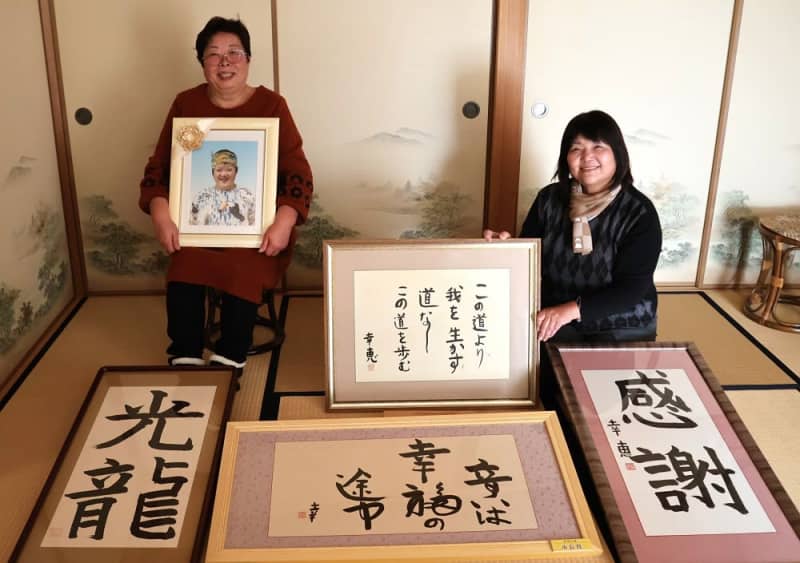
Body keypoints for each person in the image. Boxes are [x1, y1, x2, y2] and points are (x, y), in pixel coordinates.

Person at [139, 16, 313, 372]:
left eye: (234, 52)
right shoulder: (186, 104)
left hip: (256, 231)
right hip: (197, 228)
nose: (225, 62)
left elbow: (298, 172)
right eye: (213, 54)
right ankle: (185, 355)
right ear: (201, 62)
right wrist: (161, 213)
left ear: (248, 59)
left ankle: (230, 358)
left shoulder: (272, 106)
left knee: (242, 266)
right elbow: (160, 167)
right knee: (184, 266)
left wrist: (284, 221)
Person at [485, 110, 661, 402]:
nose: (586, 156)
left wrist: (569, 310)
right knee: (538, 387)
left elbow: (632, 289)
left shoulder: (639, 213)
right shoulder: (549, 199)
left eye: (598, 147)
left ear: (618, 154)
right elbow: (531, 256)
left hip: (619, 323)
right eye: (576, 148)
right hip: (554, 316)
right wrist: (505, 249)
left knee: (602, 401)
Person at [190, 149, 256, 226]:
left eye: (229, 170)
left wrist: (240, 216)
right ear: (213, 172)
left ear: (236, 171)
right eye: (219, 170)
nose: (223, 174)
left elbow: (255, 227)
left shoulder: (247, 196)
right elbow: (192, 225)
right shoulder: (201, 197)